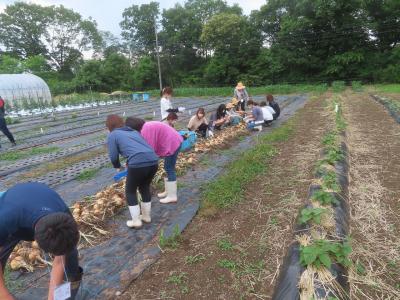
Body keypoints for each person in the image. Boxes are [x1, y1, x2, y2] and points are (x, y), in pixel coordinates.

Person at [0, 182, 82, 300]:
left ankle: (67, 294)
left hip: (35, 200)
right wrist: (5, 295)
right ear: (36, 240)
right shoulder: (5, 221)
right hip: (11, 211)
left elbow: (60, 261)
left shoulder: (64, 218)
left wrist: (52, 298)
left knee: (70, 256)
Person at [106, 115, 159, 228]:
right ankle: (146, 217)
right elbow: (140, 148)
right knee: (144, 187)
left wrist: (117, 166)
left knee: (130, 191)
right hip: (153, 161)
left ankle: (136, 221)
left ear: (109, 126)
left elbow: (113, 156)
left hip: (137, 164)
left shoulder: (113, 135)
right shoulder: (134, 132)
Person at [125, 118, 183, 204]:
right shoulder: (145, 127)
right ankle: (168, 191)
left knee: (169, 168)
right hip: (171, 140)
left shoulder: (145, 130)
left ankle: (172, 196)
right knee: (167, 167)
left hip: (172, 142)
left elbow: (149, 148)